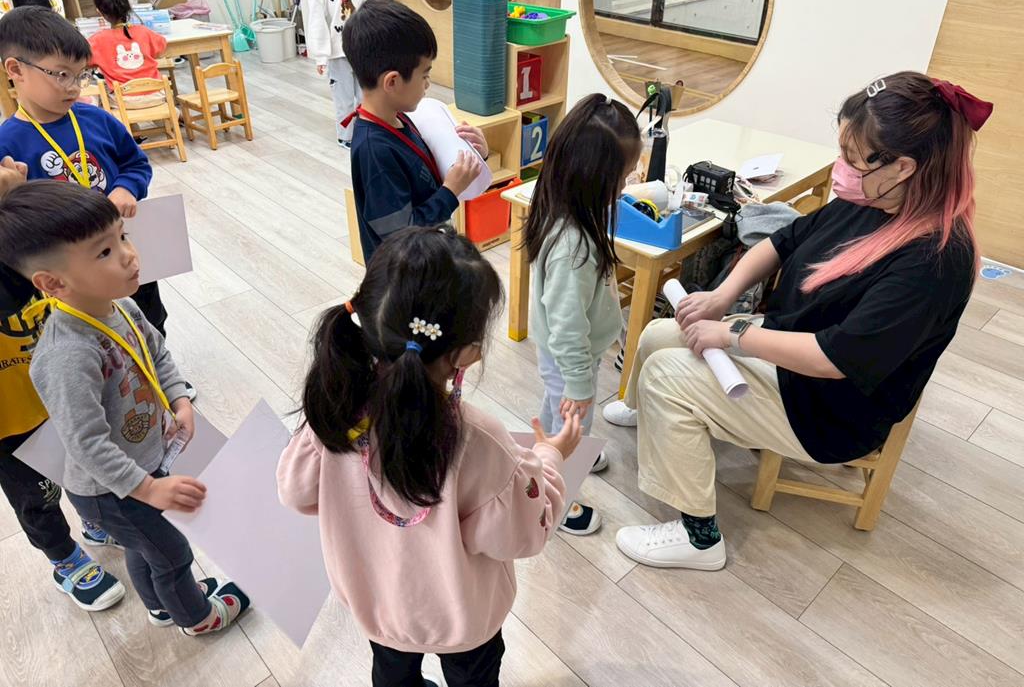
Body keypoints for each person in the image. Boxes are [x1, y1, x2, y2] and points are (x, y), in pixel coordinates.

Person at [609, 71, 989, 570]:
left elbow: (834, 359)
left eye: (853, 159)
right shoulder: (872, 200)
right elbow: (781, 241)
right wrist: (722, 297)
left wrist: (732, 332)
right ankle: (652, 415)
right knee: (664, 331)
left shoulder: (933, 261)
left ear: (902, 167)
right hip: (790, 348)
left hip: (830, 407)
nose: (842, 169)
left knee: (667, 375)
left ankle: (699, 538)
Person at [278, 225, 578, 687]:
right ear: (468, 354)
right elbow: (523, 535)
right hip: (465, 619)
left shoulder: (334, 410)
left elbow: (295, 493)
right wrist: (550, 457)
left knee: (392, 677)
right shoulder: (481, 441)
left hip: (379, 609)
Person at [0, 180, 250, 634]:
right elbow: (86, 445)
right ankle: (197, 617)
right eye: (104, 252)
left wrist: (178, 398)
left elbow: (157, 353)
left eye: (123, 237)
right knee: (172, 554)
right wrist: (148, 490)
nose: (130, 255)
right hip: (109, 491)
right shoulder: (66, 353)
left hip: (143, 463)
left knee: (145, 548)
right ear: (53, 283)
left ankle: (160, 605)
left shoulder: (122, 308)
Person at [0, 6, 194, 398]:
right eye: (61, 74)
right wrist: (11, 193)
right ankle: (111, 393)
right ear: (15, 70)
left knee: (148, 318)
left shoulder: (96, 119)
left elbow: (135, 163)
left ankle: (158, 382)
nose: (74, 86)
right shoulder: (8, 144)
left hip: (122, 246)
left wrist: (125, 188)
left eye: (81, 74)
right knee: (87, 340)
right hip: (72, 273)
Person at [0, 161, 126, 612]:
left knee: (81, 462)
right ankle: (64, 558)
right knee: (37, 495)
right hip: (8, 417)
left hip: (56, 388)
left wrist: (16, 204)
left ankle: (93, 520)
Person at [523, 94, 640, 536]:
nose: (624, 188)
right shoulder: (574, 245)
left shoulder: (564, 210)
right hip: (570, 357)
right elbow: (567, 324)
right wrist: (579, 383)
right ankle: (556, 501)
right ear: (593, 177)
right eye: (621, 178)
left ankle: (547, 454)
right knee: (573, 423)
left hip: (568, 355)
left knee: (557, 413)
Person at [341, 0, 488, 262]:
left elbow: (423, 178)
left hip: (428, 259)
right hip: (404, 277)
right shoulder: (374, 151)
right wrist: (449, 192)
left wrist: (476, 155)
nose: (428, 84)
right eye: (425, 75)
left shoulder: (398, 118)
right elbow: (401, 238)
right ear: (392, 82)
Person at [305, 0, 365, 148]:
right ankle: (346, 136)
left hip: (360, 49)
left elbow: (368, 10)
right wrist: (321, 56)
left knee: (366, 95)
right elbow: (317, 25)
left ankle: (366, 131)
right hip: (337, 53)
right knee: (343, 97)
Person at [88, 0, 168, 108]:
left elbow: (86, 61)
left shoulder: (97, 40)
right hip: (157, 96)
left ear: (100, 12)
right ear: (126, 5)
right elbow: (161, 47)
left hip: (124, 102)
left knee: (98, 96)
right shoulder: (144, 32)